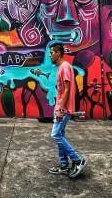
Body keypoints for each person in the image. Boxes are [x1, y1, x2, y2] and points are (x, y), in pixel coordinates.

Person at [48, 43, 87, 178]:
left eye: (51, 52)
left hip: (63, 109)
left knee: (55, 135)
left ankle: (77, 160)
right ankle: (64, 165)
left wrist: (60, 109)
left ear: (58, 53)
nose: (50, 55)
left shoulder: (64, 67)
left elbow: (67, 90)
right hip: (61, 108)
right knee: (60, 135)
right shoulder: (63, 67)